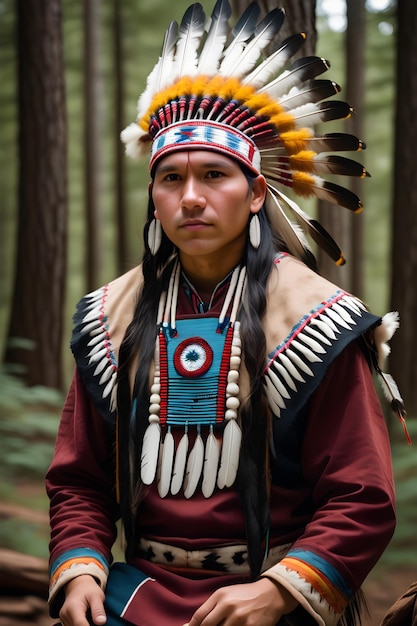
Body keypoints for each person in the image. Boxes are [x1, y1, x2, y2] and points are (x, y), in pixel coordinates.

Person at [46, 2, 409, 625]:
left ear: (258, 192)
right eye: (170, 179)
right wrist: (80, 563)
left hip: (275, 600)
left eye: (215, 175)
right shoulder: (111, 319)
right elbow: (79, 478)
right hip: (134, 597)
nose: (191, 198)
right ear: (153, 197)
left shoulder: (316, 320)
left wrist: (279, 590)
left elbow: (361, 497)